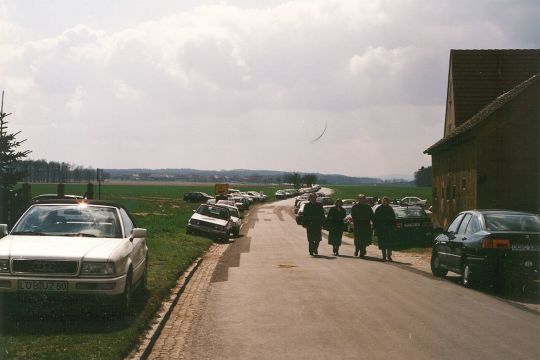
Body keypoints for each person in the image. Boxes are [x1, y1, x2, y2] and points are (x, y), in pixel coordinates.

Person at [374, 196, 396, 261]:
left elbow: (393, 218)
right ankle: (383, 256)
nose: (385, 202)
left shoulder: (390, 209)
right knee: (383, 243)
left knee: (389, 243)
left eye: (386, 201)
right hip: (381, 228)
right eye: (384, 201)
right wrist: (376, 227)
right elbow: (375, 219)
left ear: (388, 202)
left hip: (389, 228)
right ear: (382, 201)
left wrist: (393, 226)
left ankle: (389, 256)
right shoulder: (379, 209)